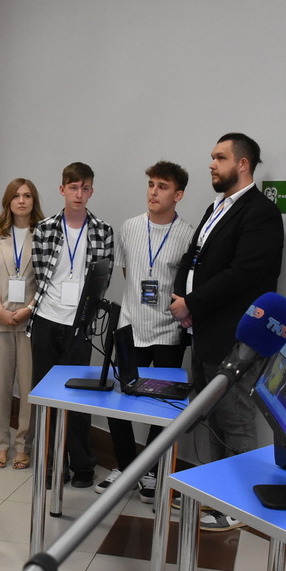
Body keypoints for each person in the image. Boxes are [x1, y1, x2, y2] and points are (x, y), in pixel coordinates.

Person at [170, 132, 283, 531]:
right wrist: (181, 298)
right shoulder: (216, 206)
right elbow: (193, 257)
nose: (211, 164)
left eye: (220, 158)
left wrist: (193, 303)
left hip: (235, 338)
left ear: (242, 164)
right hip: (204, 332)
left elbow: (243, 275)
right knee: (212, 419)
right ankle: (217, 495)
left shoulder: (261, 213)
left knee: (235, 419)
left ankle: (238, 507)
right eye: (212, 157)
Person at [96, 161, 195, 502]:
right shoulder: (129, 227)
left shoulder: (188, 235)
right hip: (130, 327)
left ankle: (151, 472)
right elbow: (129, 273)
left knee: (163, 406)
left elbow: (184, 285)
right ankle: (126, 467)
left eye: (162, 186)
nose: (153, 192)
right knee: (119, 399)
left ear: (178, 195)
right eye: (151, 184)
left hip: (168, 332)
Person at [28, 162, 114, 489]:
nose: (79, 194)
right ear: (62, 189)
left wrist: (84, 314)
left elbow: (103, 280)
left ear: (91, 191)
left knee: (78, 399)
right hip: (47, 320)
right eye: (73, 187)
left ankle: (83, 465)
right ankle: (52, 465)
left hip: (80, 325)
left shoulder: (103, 230)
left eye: (85, 188)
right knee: (46, 397)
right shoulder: (45, 228)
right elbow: (41, 276)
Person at [0, 179, 44, 470]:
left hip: (29, 321)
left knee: (28, 388)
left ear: (34, 201)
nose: (21, 201)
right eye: (16, 196)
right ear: (8, 201)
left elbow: (47, 279)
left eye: (27, 196)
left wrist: (28, 309)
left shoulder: (43, 235)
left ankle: (23, 446)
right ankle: (1, 444)